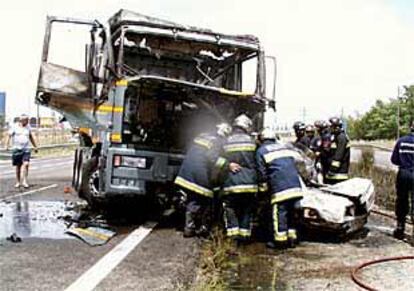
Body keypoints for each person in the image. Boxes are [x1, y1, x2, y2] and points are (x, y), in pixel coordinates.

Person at [175, 122, 232, 238]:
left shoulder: (202, 136)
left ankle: (189, 227)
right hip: (199, 173)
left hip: (186, 171)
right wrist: (227, 164)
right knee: (204, 199)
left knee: (192, 198)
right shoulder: (217, 141)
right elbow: (212, 157)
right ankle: (202, 227)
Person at [256, 128, 304, 249]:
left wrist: (262, 192)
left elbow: (262, 173)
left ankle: (280, 242)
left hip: (280, 189)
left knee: (279, 213)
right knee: (292, 214)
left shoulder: (261, 151)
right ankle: (292, 238)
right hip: (296, 186)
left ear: (262, 139)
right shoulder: (284, 147)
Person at [221, 114, 258, 242]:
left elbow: (216, 158)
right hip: (250, 184)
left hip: (232, 182)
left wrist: (228, 165)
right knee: (247, 210)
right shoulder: (253, 141)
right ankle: (245, 236)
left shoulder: (226, 141)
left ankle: (233, 237)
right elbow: (258, 162)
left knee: (230, 208)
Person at [390, 121, 414, 240]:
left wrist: (404, 163)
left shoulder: (401, 141)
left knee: (402, 201)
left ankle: (400, 229)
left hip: (403, 173)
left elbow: (394, 159)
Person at [5, 114, 38, 188]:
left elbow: (31, 137)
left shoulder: (28, 127)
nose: (27, 122)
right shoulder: (14, 126)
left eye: (27, 120)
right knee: (18, 167)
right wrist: (6, 145)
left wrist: (35, 146)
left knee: (26, 164)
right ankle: (18, 182)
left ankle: (25, 181)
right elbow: (9, 136)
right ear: (21, 120)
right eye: (26, 120)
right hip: (17, 149)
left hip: (26, 149)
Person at [325, 117, 350, 184]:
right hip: (333, 174)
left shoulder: (341, 138)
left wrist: (332, 170)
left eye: (331, 127)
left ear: (336, 127)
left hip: (338, 175)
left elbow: (339, 155)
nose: (330, 128)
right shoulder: (335, 137)